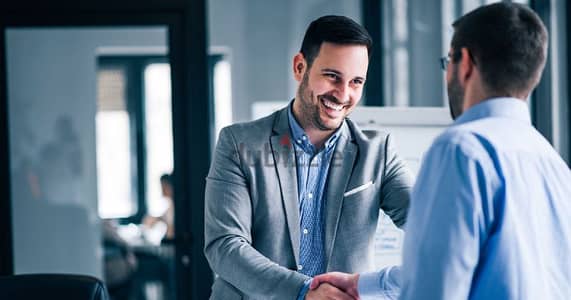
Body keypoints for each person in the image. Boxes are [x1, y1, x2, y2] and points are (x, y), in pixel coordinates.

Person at [310, 2, 571, 299]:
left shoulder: (462, 149)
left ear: (466, 63)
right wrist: (364, 284)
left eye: (448, 62)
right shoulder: (554, 164)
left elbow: (437, 289)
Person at [204, 15, 413, 300]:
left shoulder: (379, 153)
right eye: (332, 76)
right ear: (300, 67)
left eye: (356, 82)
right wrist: (303, 292)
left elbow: (431, 224)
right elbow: (225, 246)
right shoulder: (239, 144)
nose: (343, 94)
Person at [143, 173, 174, 240]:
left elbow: (171, 232)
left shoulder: (177, 206)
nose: (162, 190)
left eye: (164, 187)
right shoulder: (170, 205)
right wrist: (157, 219)